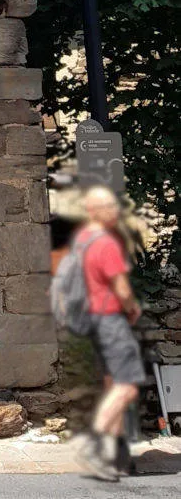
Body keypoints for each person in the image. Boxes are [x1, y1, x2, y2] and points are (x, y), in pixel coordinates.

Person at [75, 185, 146, 482]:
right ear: (95, 210)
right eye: (109, 207)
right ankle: (94, 447)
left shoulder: (83, 239)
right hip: (110, 319)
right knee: (127, 387)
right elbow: (122, 288)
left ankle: (117, 458)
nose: (115, 211)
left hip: (93, 318)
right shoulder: (106, 243)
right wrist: (131, 308)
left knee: (112, 385)